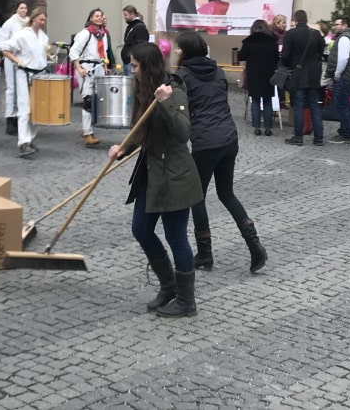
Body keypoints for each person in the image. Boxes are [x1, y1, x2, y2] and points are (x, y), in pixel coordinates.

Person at [111, 41, 203, 318]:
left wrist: (164, 103)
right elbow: (142, 133)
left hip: (175, 176)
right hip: (150, 174)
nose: (132, 70)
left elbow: (183, 133)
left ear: (148, 66)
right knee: (141, 229)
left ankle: (187, 301)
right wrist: (123, 148)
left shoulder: (172, 91)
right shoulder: (143, 91)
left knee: (177, 238)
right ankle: (168, 286)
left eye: (136, 66)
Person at [175, 32, 267, 275]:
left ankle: (205, 253)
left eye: (178, 49)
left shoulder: (182, 76)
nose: (175, 52)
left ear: (186, 51)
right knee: (227, 194)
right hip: (228, 137)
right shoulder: (217, 71)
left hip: (205, 142)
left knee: (196, 197)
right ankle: (253, 243)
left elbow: (181, 109)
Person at [1, 6, 51, 159]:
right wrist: (18, 61)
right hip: (24, 73)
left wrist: (48, 56)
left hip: (39, 74)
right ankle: (23, 143)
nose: (43, 22)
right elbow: (5, 49)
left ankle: (30, 138)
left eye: (44, 20)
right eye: (41, 19)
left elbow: (42, 52)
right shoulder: (22, 34)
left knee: (37, 109)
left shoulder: (43, 37)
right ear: (34, 19)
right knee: (24, 108)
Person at [280, 10, 326, 146]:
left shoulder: (291, 34)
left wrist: (290, 66)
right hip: (313, 75)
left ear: (295, 20)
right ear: (306, 20)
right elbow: (321, 52)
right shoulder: (315, 34)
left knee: (298, 106)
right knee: (315, 106)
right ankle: (318, 138)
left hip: (297, 75)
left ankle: (298, 137)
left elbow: (285, 56)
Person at [69, 8, 113, 149]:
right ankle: (88, 134)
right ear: (91, 18)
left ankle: (86, 127)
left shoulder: (103, 35)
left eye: (101, 15)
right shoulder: (85, 33)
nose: (99, 18)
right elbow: (74, 51)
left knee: (98, 99)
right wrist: (79, 68)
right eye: (96, 16)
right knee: (88, 99)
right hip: (86, 68)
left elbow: (104, 52)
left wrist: (105, 65)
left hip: (99, 67)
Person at [238, 19, 278, 135]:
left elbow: (241, 56)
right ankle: (268, 128)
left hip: (254, 74)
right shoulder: (272, 42)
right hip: (268, 74)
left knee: (255, 100)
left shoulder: (249, 42)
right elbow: (277, 58)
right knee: (267, 100)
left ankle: (256, 127)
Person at [327, 16, 350, 143]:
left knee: (342, 105)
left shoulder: (344, 38)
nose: (335, 27)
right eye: (335, 24)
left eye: (337, 24)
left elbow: (343, 58)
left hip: (344, 76)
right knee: (347, 104)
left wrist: (337, 73)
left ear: (345, 26)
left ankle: (345, 132)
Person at [0, 2, 30, 135]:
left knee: (23, 89)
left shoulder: (29, 22)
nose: (23, 10)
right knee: (11, 88)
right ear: (16, 9)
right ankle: (10, 118)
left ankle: (21, 117)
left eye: (25, 8)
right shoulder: (10, 23)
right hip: (10, 57)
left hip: (24, 59)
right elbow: (2, 41)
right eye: (21, 8)